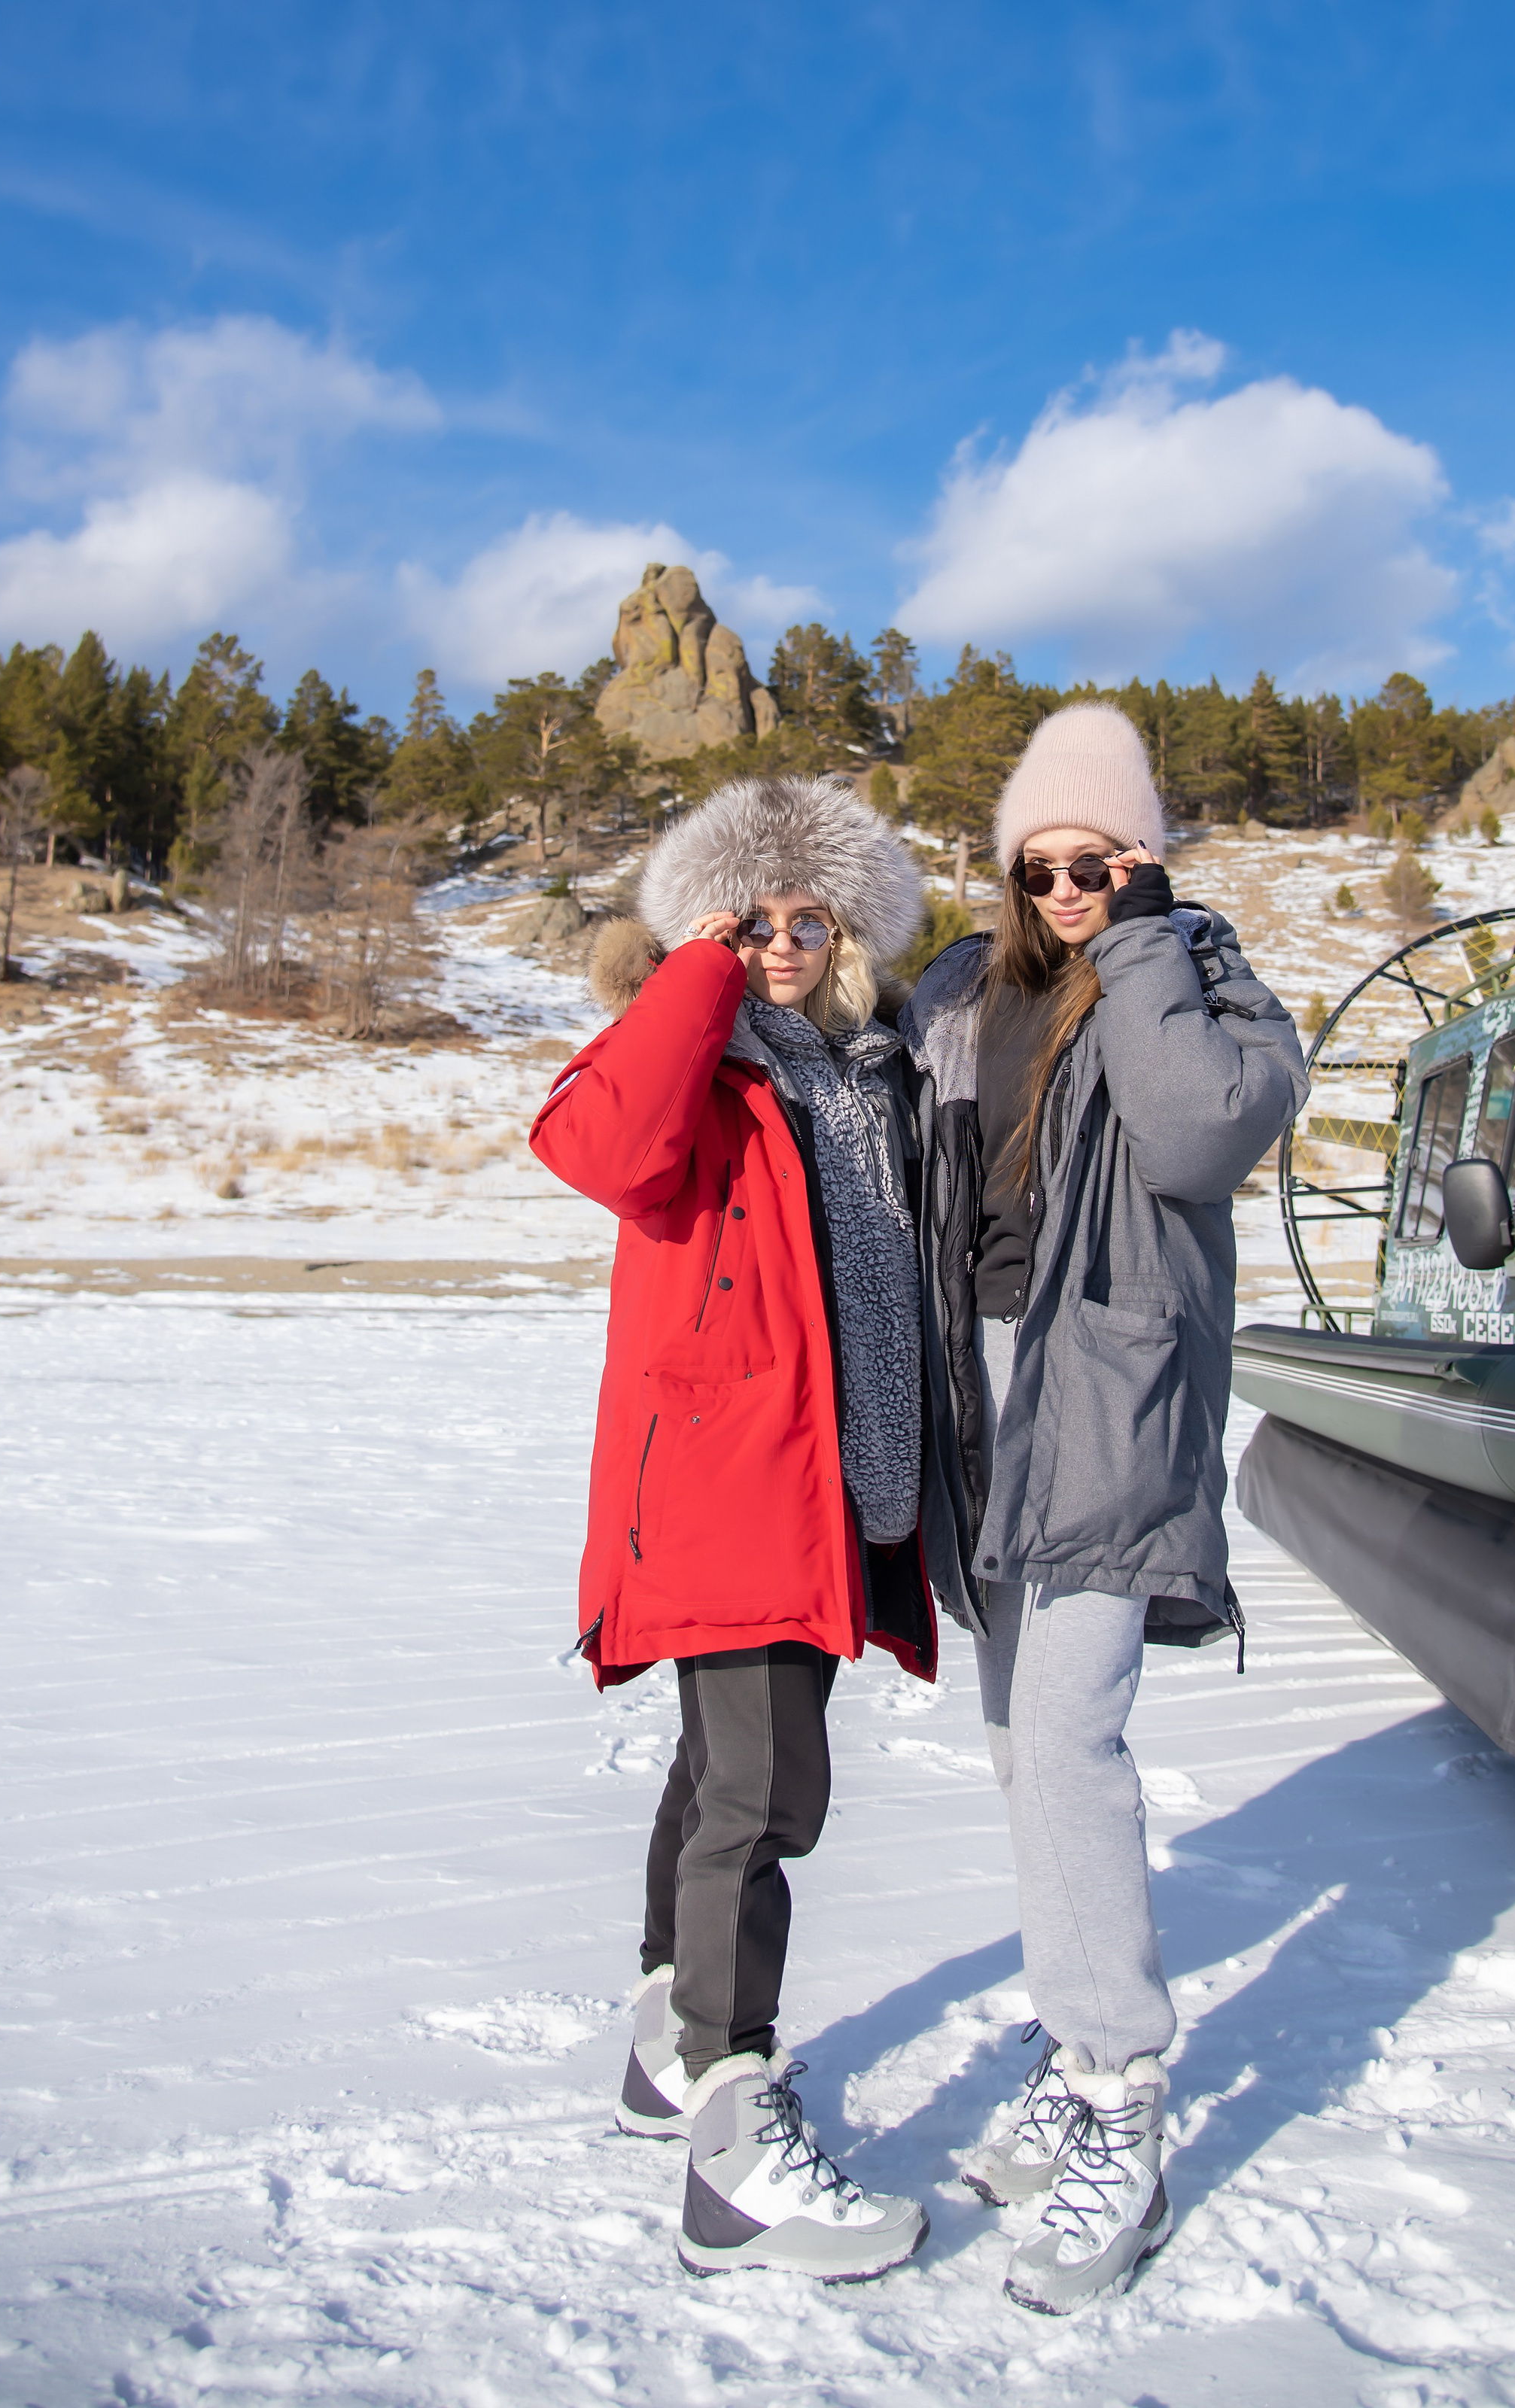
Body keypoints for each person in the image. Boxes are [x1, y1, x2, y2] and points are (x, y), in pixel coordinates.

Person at [902, 704, 1307, 2314]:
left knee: (1068, 1737)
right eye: (1043, 864)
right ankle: (1074, 2062)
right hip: (981, 1391)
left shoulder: (1200, 980)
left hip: (1107, 1389)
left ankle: (1121, 2088)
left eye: (1098, 859)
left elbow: (1201, 1130)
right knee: (1019, 1745)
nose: (1066, 885)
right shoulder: (963, 991)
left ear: (1139, 852)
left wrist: (1141, 937)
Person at [529, 774, 936, 2283]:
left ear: (843, 929)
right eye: (742, 916)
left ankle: (663, 2047)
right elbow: (603, 1151)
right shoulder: (693, 1066)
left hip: (835, 1489)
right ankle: (733, 2142)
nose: (775, 937)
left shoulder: (865, 1067)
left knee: (721, 1771)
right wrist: (690, 972)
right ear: (707, 925)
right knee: (762, 1800)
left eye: (801, 914)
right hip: (726, 1481)